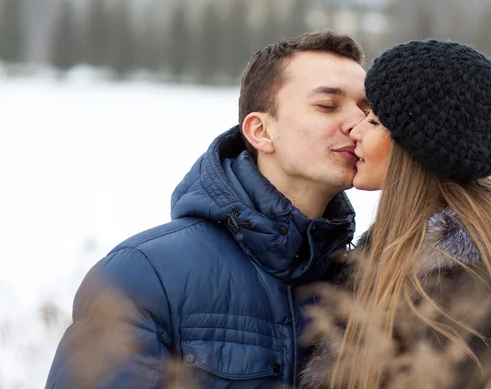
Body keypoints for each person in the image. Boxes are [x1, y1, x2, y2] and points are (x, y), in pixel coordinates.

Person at [45, 30, 371, 388]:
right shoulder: (143, 274)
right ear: (261, 131)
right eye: (327, 105)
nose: (357, 124)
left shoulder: (368, 283)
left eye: (367, 109)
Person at [299, 40, 491, 389]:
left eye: (375, 121)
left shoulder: (450, 281)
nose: (356, 130)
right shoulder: (488, 238)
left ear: (415, 148)